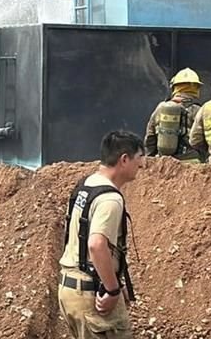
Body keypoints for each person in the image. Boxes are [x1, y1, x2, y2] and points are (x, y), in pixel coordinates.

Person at [58, 130, 145, 339]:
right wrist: (112, 289)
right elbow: (96, 245)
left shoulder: (86, 185)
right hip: (92, 294)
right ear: (124, 159)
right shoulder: (110, 199)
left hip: (70, 289)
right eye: (139, 159)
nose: (142, 165)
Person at [144, 67, 204, 162]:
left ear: (174, 87)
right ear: (196, 88)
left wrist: (150, 158)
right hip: (191, 162)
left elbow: (150, 136)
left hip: (165, 162)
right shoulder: (198, 110)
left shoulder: (161, 107)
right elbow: (202, 140)